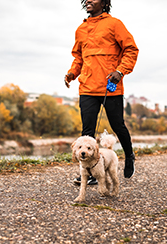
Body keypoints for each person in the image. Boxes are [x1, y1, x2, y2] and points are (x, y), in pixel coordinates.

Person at [65, 0, 139, 185]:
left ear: (104, 2)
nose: (88, 0)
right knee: (87, 131)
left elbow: (131, 49)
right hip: (87, 87)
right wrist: (72, 73)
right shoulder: (81, 29)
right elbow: (79, 57)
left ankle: (129, 155)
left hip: (110, 86)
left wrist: (120, 71)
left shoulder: (114, 24)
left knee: (117, 125)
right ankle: (90, 174)